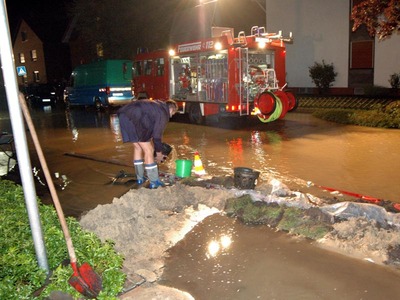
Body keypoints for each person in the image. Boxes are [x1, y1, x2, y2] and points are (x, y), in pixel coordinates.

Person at [117, 99, 178, 189]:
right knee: (149, 150)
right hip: (135, 118)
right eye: (172, 114)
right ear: (171, 110)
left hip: (124, 115)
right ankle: (154, 181)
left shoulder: (156, 105)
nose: (171, 116)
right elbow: (157, 136)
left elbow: (148, 124)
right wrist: (159, 153)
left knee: (138, 147)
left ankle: (140, 178)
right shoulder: (163, 113)